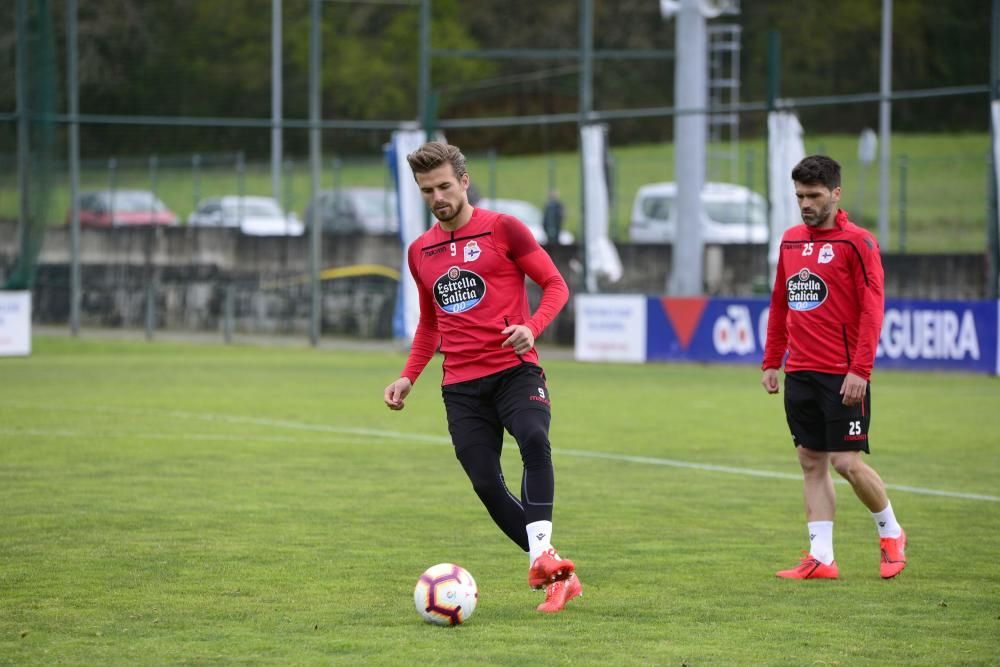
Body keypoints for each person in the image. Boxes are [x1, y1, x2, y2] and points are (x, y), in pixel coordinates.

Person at [383, 141, 581, 612]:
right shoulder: (420, 252)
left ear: (464, 181)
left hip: (515, 371)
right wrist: (409, 376)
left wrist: (531, 328)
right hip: (461, 387)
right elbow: (430, 323)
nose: (437, 197)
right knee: (487, 484)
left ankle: (548, 567)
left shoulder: (504, 229)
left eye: (445, 186)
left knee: (534, 439)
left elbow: (555, 285)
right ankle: (552, 568)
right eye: (427, 190)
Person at [761, 154, 906, 580]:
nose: (805, 203)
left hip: (842, 374)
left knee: (846, 463)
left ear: (835, 194)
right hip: (800, 371)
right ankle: (822, 557)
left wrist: (861, 369)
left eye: (814, 195)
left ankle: (892, 532)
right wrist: (773, 360)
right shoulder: (789, 241)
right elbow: (780, 303)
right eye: (800, 196)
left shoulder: (858, 243)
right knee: (811, 461)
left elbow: (872, 310)